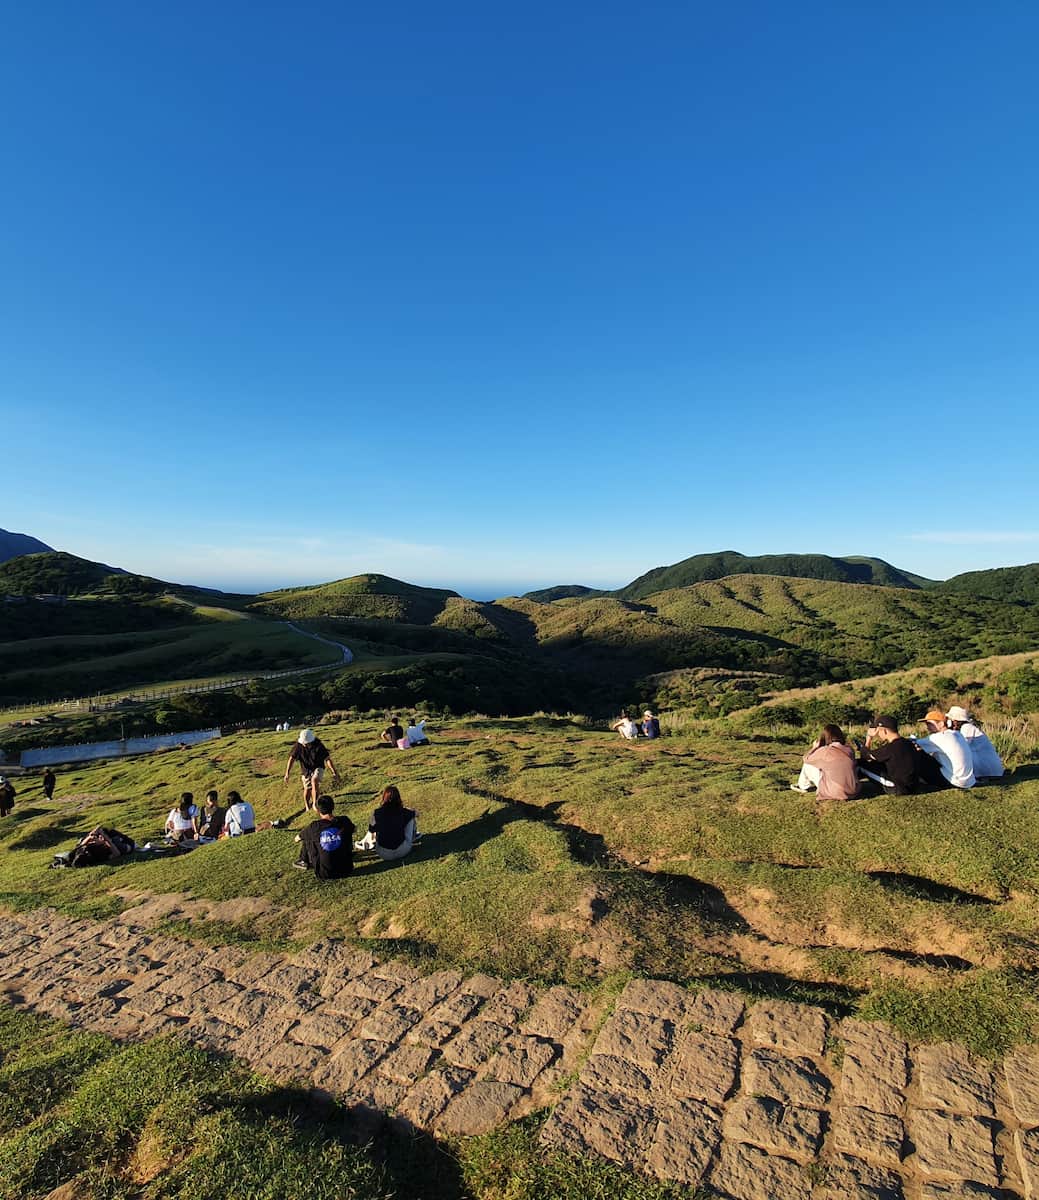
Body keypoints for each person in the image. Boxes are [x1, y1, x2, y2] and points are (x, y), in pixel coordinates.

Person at [857, 716, 940, 795]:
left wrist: (868, 738)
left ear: (884, 731)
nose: (878, 734)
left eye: (878, 731)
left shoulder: (890, 748)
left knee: (861, 764)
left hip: (899, 787)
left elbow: (865, 756)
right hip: (914, 785)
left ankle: (851, 788)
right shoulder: (909, 743)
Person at [792, 724, 861, 800]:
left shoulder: (825, 751)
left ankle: (802, 786)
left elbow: (806, 758)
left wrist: (814, 747)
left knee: (807, 765)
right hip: (853, 792)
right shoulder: (849, 749)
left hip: (834, 792)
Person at [914, 710, 975, 789]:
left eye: (930, 724)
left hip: (954, 782)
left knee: (919, 755)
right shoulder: (957, 734)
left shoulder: (938, 737)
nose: (927, 727)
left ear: (941, 724)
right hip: (969, 782)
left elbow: (913, 743)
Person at [296, 796, 354, 880]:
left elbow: (297, 838)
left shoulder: (314, 826)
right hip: (347, 869)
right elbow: (354, 829)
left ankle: (303, 860)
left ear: (318, 810)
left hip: (324, 873)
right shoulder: (345, 820)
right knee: (348, 830)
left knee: (307, 836)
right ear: (333, 807)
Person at [355, 786, 419, 861]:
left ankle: (366, 843)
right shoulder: (403, 811)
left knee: (375, 826)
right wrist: (409, 812)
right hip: (403, 851)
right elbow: (417, 813)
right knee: (411, 817)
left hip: (384, 854)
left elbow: (371, 830)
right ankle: (414, 836)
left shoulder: (377, 813)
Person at [283, 728, 338, 812]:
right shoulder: (298, 746)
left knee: (314, 780)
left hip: (318, 766)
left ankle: (315, 804)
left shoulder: (319, 745)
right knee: (307, 789)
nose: (304, 744)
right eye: (303, 743)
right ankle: (307, 805)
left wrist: (334, 772)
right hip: (306, 770)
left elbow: (327, 759)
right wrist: (287, 773)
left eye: (306, 743)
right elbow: (291, 759)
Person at [946, 706, 1005, 779]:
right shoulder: (964, 729)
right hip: (991, 769)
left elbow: (962, 747)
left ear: (954, 721)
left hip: (989, 769)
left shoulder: (967, 728)